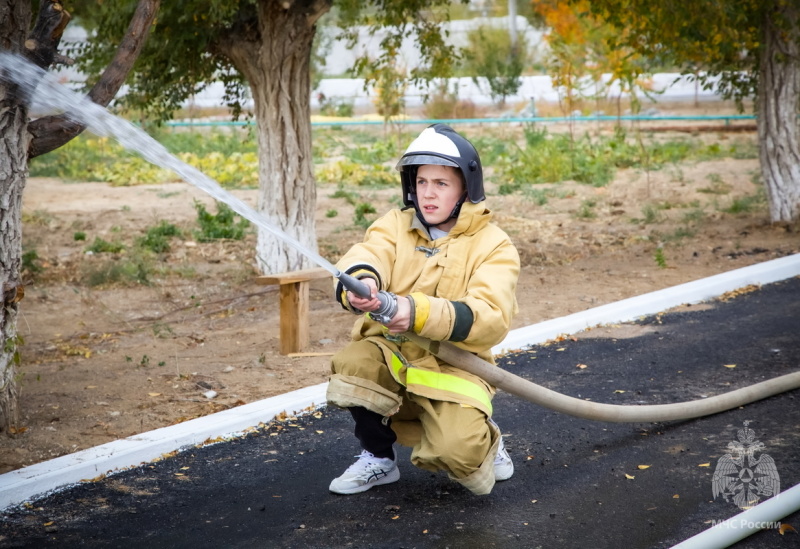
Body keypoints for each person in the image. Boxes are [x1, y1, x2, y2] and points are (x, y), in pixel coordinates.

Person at [326, 123, 520, 496]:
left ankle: (486, 442)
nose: (428, 194)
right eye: (422, 182)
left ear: (467, 188)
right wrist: (362, 283)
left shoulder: (494, 245)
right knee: (353, 365)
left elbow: (489, 316)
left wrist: (416, 312)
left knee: (459, 453)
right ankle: (377, 458)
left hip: (454, 365)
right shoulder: (395, 225)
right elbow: (369, 253)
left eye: (441, 184)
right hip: (392, 352)